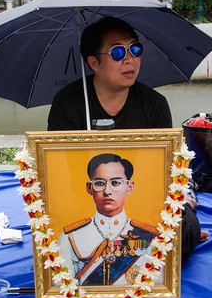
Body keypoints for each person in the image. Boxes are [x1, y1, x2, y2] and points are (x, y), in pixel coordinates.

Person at [47, 16, 204, 257]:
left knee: (178, 242)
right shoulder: (67, 104)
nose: (130, 59)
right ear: (93, 63)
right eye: (118, 52)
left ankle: (188, 204)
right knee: (62, 250)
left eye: (135, 49)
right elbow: (60, 174)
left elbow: (160, 175)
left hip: (143, 199)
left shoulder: (154, 105)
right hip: (85, 201)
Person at [58, 153, 159, 286]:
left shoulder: (149, 236)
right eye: (99, 183)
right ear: (89, 188)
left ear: (129, 187)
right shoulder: (71, 236)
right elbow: (64, 286)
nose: (107, 191)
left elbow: (156, 282)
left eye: (115, 183)